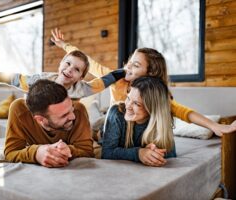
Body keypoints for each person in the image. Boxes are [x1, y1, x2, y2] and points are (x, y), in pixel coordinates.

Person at [51, 28, 236, 136]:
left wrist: (215, 126)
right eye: (130, 61)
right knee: (92, 124)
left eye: (136, 65)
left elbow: (182, 111)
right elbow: (91, 64)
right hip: (112, 124)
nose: (129, 66)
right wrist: (65, 46)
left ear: (150, 73)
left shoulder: (153, 92)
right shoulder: (117, 78)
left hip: (135, 129)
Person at [4, 79, 94, 167]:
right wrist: (36, 153)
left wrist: (69, 150)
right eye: (64, 115)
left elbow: (87, 151)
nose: (73, 116)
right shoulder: (19, 110)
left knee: (98, 132)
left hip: (90, 132)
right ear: (40, 119)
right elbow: (11, 153)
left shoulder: (79, 110)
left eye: (71, 109)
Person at [0, 50, 125, 100]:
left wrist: (122, 73)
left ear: (80, 78)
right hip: (40, 116)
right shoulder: (42, 79)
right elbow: (16, 79)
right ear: (60, 65)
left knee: (79, 112)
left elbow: (101, 82)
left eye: (77, 69)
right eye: (67, 64)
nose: (70, 69)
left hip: (62, 124)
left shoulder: (81, 89)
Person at [102, 77, 175, 167]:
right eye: (128, 98)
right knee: (98, 127)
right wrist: (139, 153)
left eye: (137, 103)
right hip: (103, 131)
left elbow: (171, 154)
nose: (128, 106)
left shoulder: (162, 121)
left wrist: (153, 152)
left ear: (152, 109)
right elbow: (106, 153)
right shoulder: (117, 113)